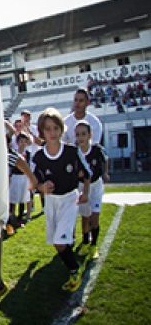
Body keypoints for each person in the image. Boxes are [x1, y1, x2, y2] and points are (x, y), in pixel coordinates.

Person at [32, 107, 92, 292]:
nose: (52, 132)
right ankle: (70, 243)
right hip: (51, 202)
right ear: (41, 132)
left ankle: (75, 270)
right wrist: (41, 187)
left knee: (60, 241)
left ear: (61, 129)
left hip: (69, 199)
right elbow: (35, 182)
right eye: (47, 129)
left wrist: (86, 193)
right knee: (56, 242)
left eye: (55, 128)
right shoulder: (38, 157)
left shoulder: (72, 152)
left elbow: (87, 174)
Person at [74, 120, 109, 261]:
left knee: (94, 216)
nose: (81, 137)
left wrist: (105, 172)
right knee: (85, 216)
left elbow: (106, 160)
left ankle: (94, 245)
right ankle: (85, 241)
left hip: (95, 186)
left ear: (90, 134)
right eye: (78, 134)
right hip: (82, 187)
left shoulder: (97, 149)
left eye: (83, 134)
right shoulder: (75, 153)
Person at [7, 132, 36, 233]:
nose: (23, 143)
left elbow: (29, 166)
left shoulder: (28, 154)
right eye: (21, 141)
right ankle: (12, 217)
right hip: (15, 177)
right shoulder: (13, 154)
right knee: (14, 197)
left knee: (23, 197)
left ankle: (20, 217)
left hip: (24, 177)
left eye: (25, 141)